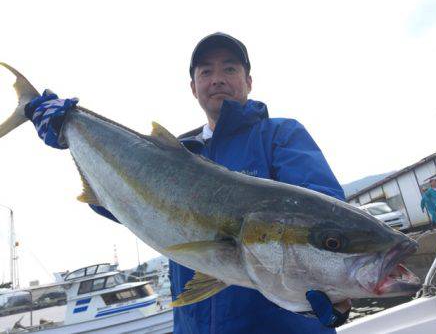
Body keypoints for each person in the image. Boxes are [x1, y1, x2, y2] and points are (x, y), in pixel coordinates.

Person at [24, 32, 351, 333]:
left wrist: (334, 296)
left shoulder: (279, 135)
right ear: (193, 87)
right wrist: (70, 130)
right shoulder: (176, 153)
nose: (218, 79)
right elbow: (126, 208)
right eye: (206, 72)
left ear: (249, 81)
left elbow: (324, 217)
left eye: (230, 69)